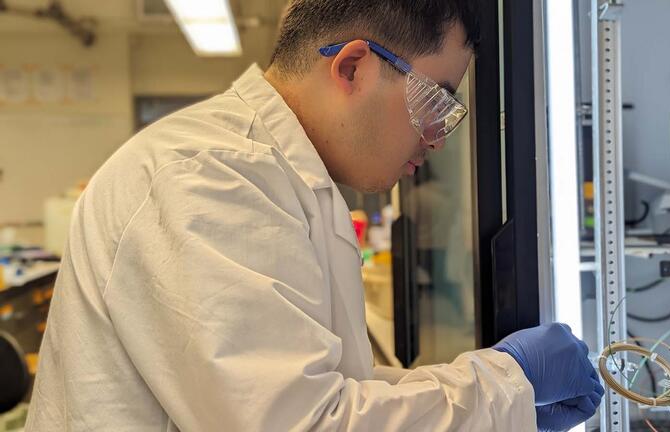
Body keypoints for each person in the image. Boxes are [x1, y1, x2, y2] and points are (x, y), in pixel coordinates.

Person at [27, 1, 603, 430]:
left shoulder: (283, 179)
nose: (438, 138)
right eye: (437, 102)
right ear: (353, 67)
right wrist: (503, 387)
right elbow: (302, 422)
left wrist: (505, 409)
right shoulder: (209, 178)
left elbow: (317, 389)